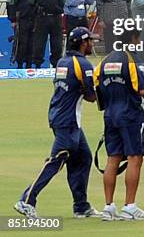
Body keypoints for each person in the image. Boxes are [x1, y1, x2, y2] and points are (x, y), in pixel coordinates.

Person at [14, 27, 100, 219]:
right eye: (90, 41)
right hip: (67, 121)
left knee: (83, 157)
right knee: (57, 160)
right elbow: (91, 96)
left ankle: (81, 206)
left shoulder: (63, 61)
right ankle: (26, 200)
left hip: (61, 117)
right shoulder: (83, 64)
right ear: (82, 43)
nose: (92, 44)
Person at [94, 26, 144, 221]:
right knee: (135, 158)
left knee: (113, 159)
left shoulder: (104, 61)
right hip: (129, 115)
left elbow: (97, 89)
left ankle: (109, 207)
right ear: (133, 39)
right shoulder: (130, 61)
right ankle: (130, 206)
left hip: (110, 115)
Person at [30, 0, 66, 68]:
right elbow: (32, 0)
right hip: (42, 18)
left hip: (56, 18)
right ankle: (37, 67)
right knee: (39, 44)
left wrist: (57, 8)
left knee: (57, 45)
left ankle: (56, 68)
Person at [7, 0, 37, 68]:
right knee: (21, 44)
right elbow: (12, 4)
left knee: (32, 45)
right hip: (22, 21)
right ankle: (19, 66)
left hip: (35, 20)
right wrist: (13, 20)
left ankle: (29, 66)